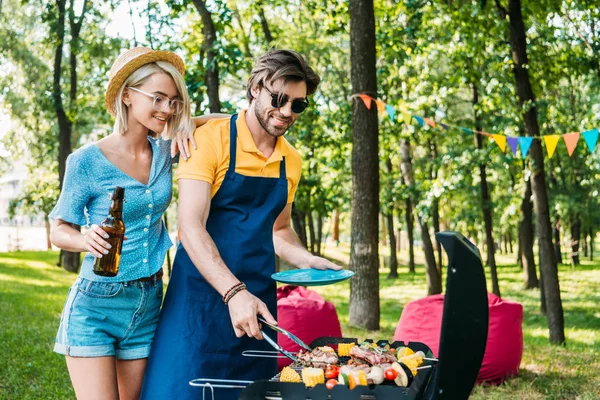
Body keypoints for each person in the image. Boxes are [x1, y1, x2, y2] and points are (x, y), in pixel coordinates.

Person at [141, 49, 343, 399]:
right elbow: (190, 227)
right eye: (278, 99)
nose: (285, 112)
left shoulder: (290, 160)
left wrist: (306, 260)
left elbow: (279, 230)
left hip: (259, 309)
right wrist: (234, 293)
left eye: (298, 105)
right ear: (254, 88)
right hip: (199, 304)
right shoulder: (209, 139)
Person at [49, 47, 220, 400]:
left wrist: (192, 122)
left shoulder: (165, 151)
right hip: (95, 304)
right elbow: (58, 228)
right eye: (158, 98)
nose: (167, 109)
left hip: (148, 300)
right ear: (127, 95)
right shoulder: (85, 161)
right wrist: (85, 239)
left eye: (174, 101)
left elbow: (225, 118)